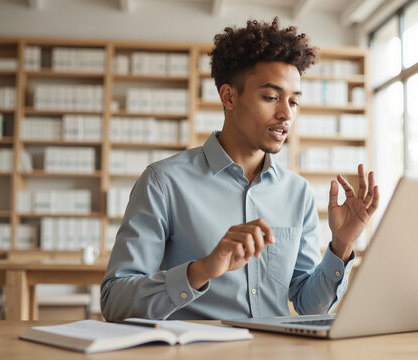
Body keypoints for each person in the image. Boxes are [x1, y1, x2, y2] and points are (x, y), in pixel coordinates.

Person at [100, 17, 379, 321]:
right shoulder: (163, 183)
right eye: (271, 97)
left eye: (294, 102)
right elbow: (115, 300)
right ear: (229, 96)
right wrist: (201, 270)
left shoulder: (296, 192)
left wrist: (341, 245)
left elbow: (308, 305)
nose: (286, 114)